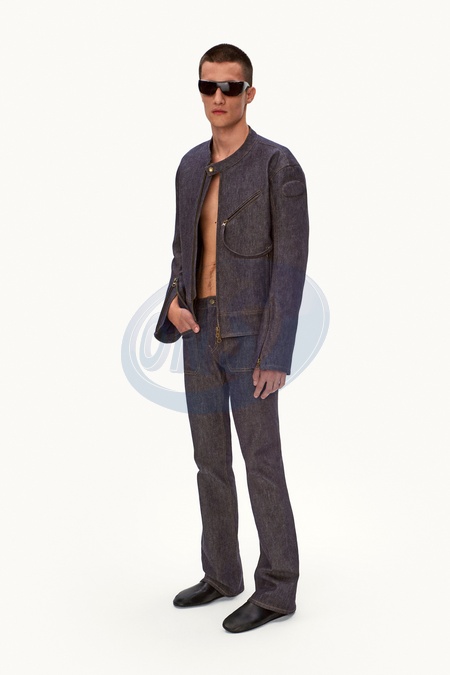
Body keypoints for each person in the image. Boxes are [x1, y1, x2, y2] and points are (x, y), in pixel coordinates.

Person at [154, 43, 309, 633]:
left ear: (249, 93)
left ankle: (278, 588)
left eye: (229, 86)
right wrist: (175, 301)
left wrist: (275, 353)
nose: (217, 97)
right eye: (207, 86)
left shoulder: (277, 165)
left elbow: (290, 267)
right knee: (210, 461)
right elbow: (181, 248)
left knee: (261, 462)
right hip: (198, 332)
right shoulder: (190, 165)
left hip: (251, 338)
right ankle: (221, 573)